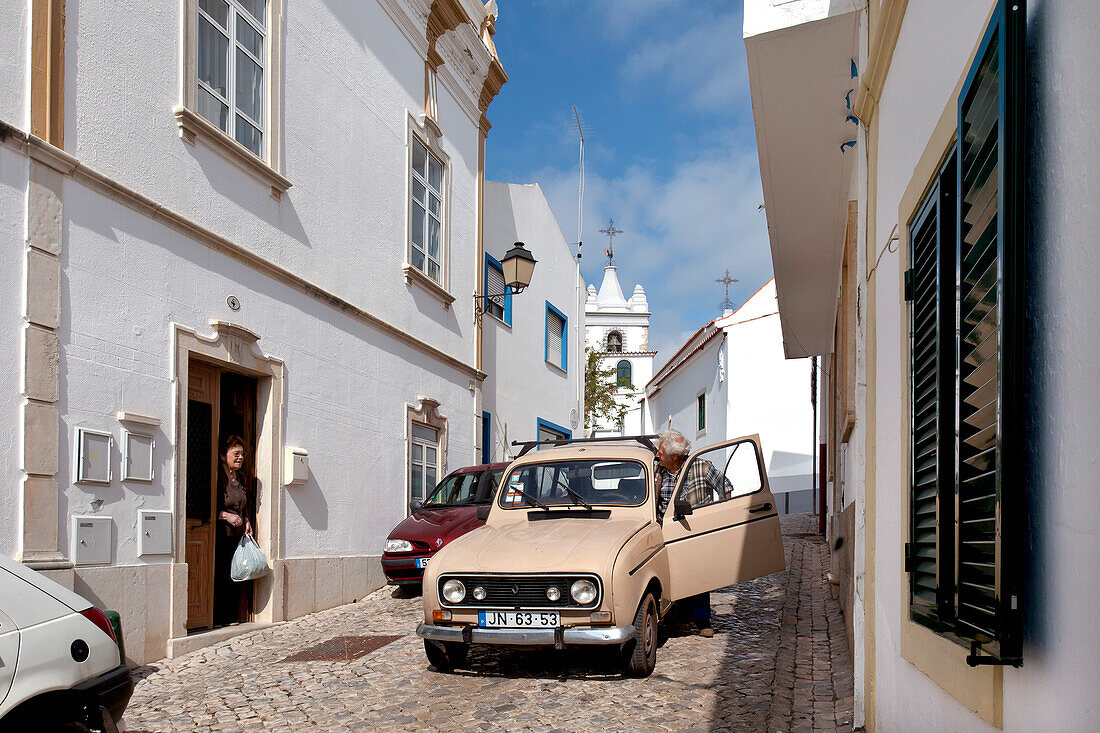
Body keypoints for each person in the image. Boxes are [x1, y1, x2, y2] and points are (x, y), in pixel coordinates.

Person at [654, 428, 718, 638]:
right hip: (668, 533)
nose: (657, 455)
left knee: (698, 577)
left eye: (661, 452)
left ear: (674, 456)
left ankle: (702, 621)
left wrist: (719, 515)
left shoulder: (702, 467)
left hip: (696, 532)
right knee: (672, 577)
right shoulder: (657, 472)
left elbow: (725, 486)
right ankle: (676, 619)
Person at [214, 435, 253, 626]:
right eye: (236, 453)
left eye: (242, 454)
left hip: (236, 536)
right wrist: (225, 515)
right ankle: (218, 617)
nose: (240, 458)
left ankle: (232, 615)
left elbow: (243, 505)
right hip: (219, 535)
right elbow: (208, 505)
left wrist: (246, 520)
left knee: (235, 573)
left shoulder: (241, 477)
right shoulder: (218, 475)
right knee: (221, 575)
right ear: (223, 455)